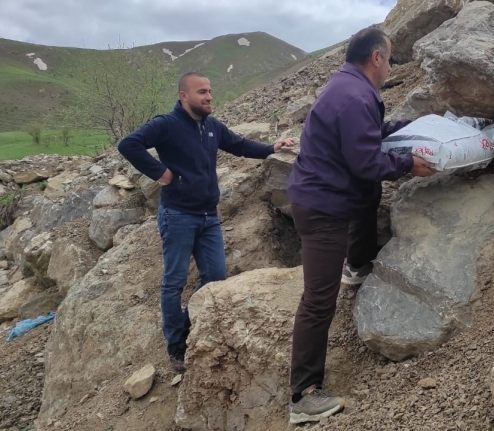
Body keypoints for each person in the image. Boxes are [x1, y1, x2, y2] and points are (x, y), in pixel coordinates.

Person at [286, 27, 435, 424]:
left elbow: (364, 136)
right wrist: (409, 164)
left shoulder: (347, 86)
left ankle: (357, 264)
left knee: (367, 199)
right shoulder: (354, 96)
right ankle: (303, 396)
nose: (391, 66)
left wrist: (405, 128)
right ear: (375, 58)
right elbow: (366, 163)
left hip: (330, 196)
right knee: (318, 299)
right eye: (389, 58)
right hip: (321, 207)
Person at [118, 72, 294, 373]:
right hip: (178, 216)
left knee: (215, 276)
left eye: (210, 91)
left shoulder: (211, 126)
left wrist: (271, 148)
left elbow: (238, 145)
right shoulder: (167, 124)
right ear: (183, 96)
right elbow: (128, 144)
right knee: (173, 283)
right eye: (202, 92)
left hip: (209, 217)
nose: (209, 96)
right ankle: (176, 346)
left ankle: (191, 324)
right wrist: (161, 173)